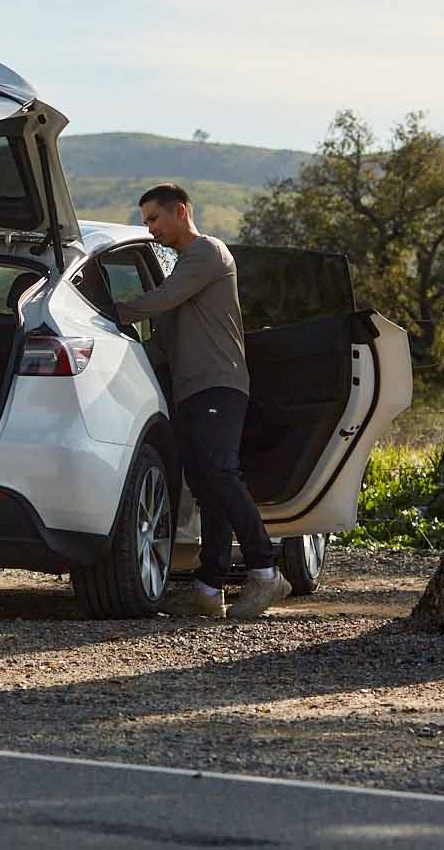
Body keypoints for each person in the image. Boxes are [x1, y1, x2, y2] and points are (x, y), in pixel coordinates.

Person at [118, 183, 288, 620]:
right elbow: (164, 339)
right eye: (146, 222)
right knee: (207, 487)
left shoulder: (208, 254)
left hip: (218, 385)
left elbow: (161, 302)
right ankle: (209, 588)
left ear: (180, 212)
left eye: (154, 218)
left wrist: (110, 311)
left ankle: (267, 573)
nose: (150, 228)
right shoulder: (179, 271)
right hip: (189, 390)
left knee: (220, 473)